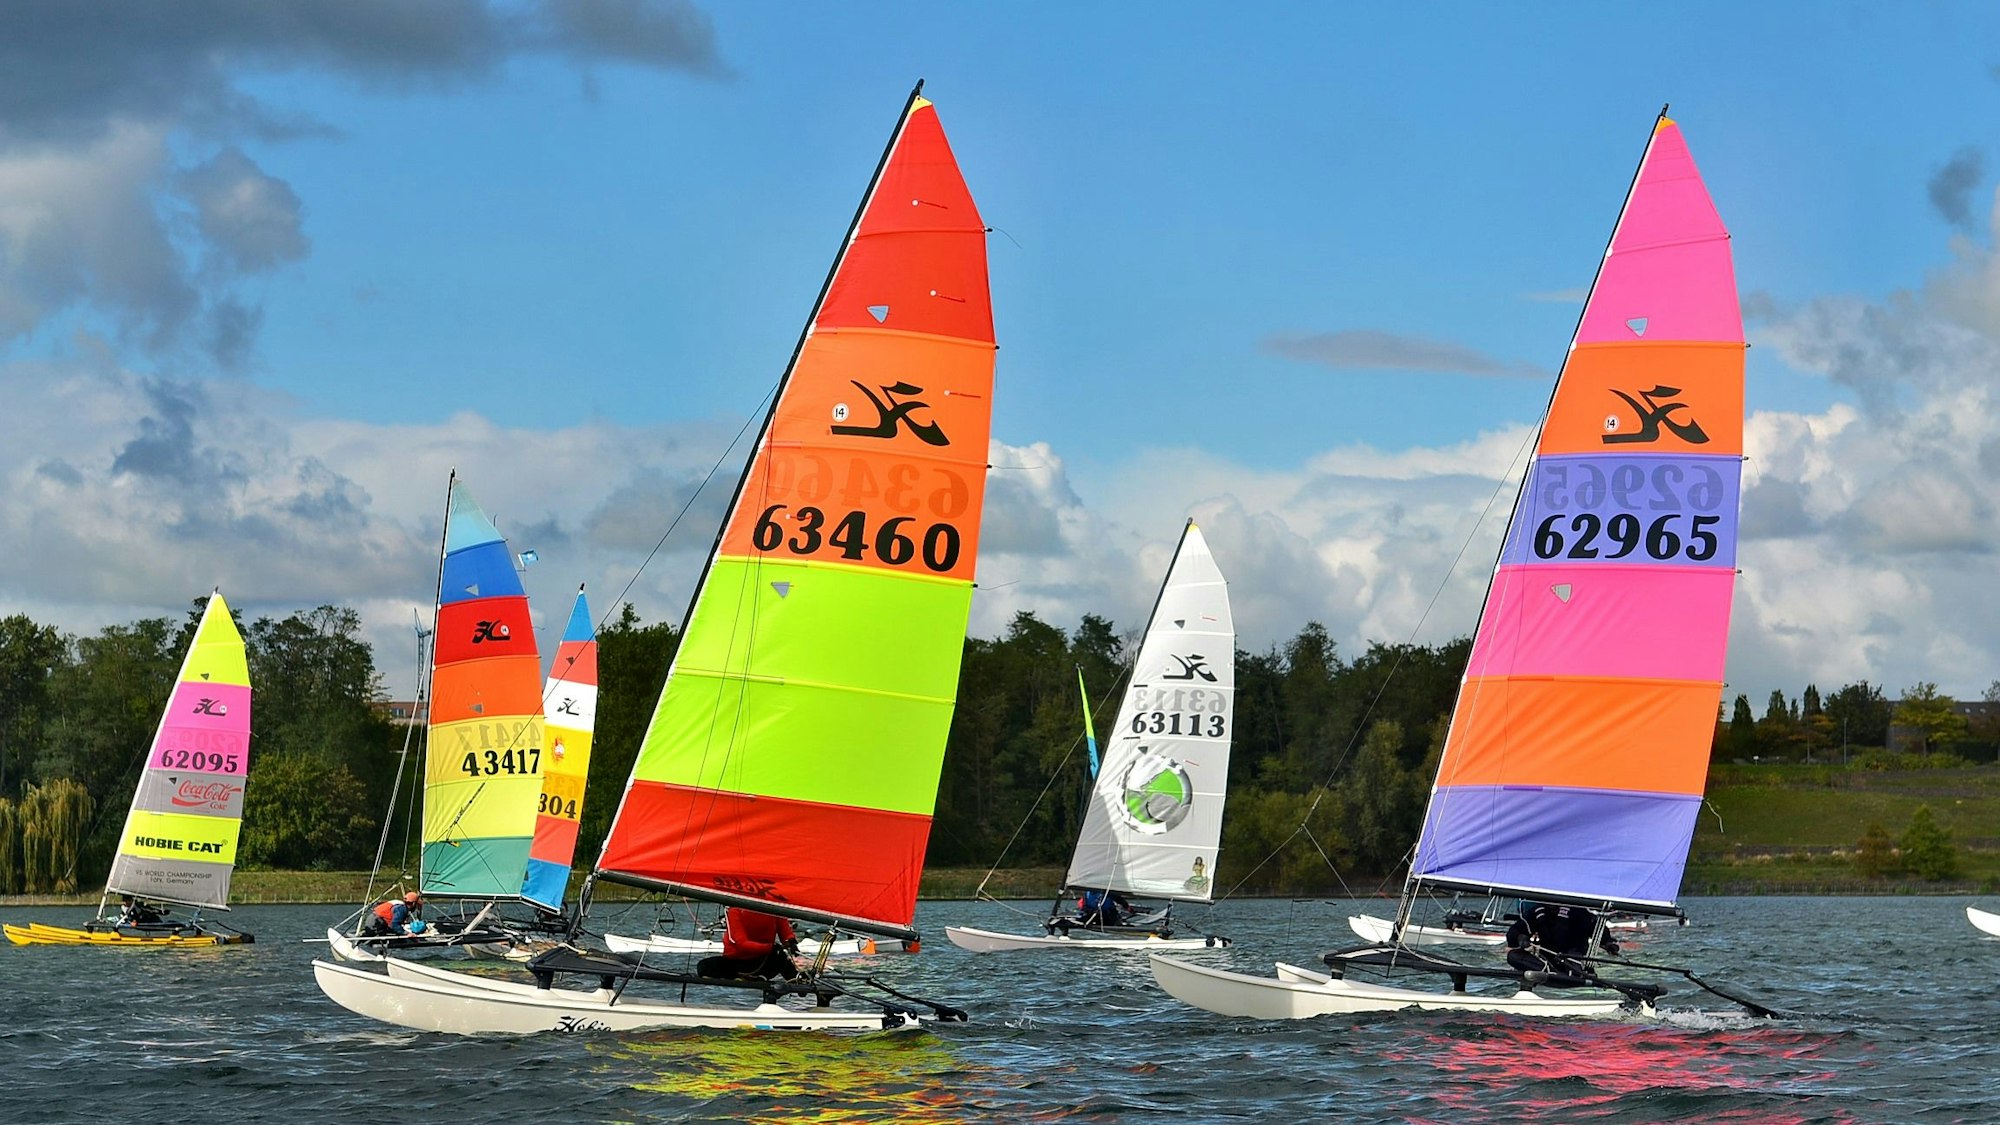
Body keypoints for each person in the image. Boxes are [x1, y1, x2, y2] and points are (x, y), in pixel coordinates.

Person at [1505, 901, 1620, 983]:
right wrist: (1520, 937)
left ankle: (1569, 978)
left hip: (1573, 958)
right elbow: (1515, 930)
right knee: (1513, 956)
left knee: (1573, 960)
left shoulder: (1577, 911)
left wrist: (1608, 943)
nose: (1552, 906)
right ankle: (1552, 975)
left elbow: (1595, 927)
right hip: (1547, 963)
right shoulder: (1538, 912)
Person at [695, 908, 800, 980]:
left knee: (779, 956)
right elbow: (741, 943)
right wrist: (769, 947)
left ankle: (797, 981)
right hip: (737, 962)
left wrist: (791, 942)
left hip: (762, 961)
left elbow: (785, 933)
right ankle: (751, 977)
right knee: (704, 966)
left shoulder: (773, 910)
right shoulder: (735, 911)